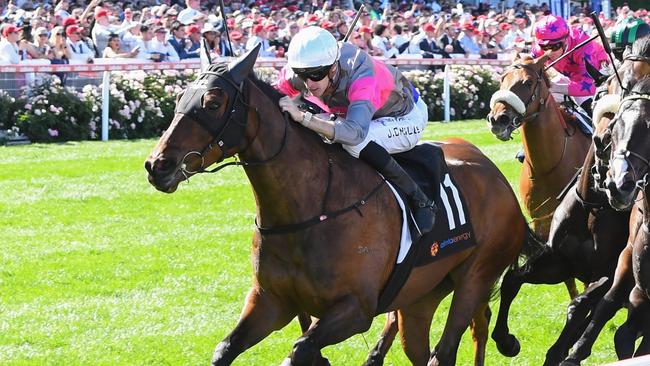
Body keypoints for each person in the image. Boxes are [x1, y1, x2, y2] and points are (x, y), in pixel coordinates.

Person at [276, 26, 436, 235]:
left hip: (404, 117)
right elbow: (271, 96)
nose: (308, 84)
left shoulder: (362, 74)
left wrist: (305, 118)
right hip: (362, 115)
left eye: (315, 75)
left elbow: (355, 132)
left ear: (333, 68)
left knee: (354, 143)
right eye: (301, 75)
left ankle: (419, 199)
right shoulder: (304, 68)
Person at [531, 14, 609, 117]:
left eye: (555, 46)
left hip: (599, 77)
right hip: (571, 77)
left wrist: (555, 87)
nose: (549, 52)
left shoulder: (585, 48)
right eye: (544, 47)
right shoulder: (539, 50)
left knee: (581, 99)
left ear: (565, 40)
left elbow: (590, 86)